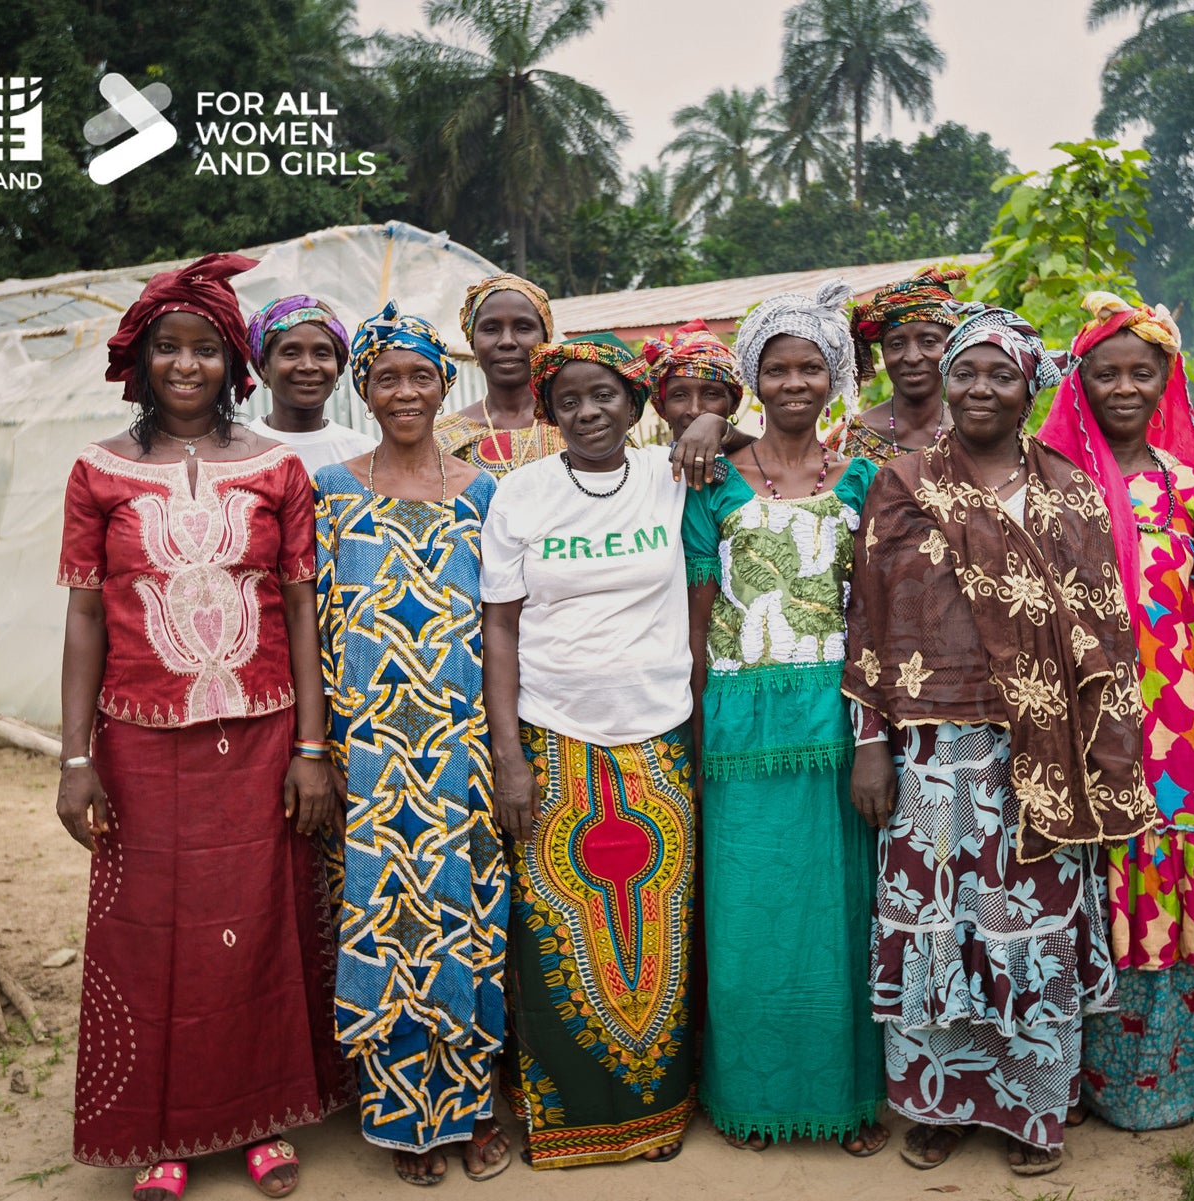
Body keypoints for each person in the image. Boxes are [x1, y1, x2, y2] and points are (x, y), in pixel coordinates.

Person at [56, 252, 348, 1201]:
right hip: (139, 739)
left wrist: (311, 748)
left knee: (258, 926)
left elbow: (299, 608)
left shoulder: (276, 467)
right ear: (138, 360)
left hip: (262, 735)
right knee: (152, 932)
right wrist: (74, 757)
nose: (187, 365)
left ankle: (262, 1118)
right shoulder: (97, 470)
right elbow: (86, 616)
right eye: (168, 348)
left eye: (207, 349)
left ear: (234, 363)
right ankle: (164, 1133)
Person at [844, 305, 1156, 1177]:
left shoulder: (1070, 488)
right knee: (938, 921)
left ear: (1031, 390)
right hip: (935, 750)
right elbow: (870, 617)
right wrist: (870, 742)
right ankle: (938, 1100)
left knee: (1028, 925)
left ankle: (1031, 1106)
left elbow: (1104, 625)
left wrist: (1109, 749)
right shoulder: (903, 482)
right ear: (946, 383)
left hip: (1045, 746)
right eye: (966, 372)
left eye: (1001, 374)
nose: (980, 388)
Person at [1040, 291, 1194, 1132]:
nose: (1125, 388)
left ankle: (1180, 1064)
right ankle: (1087, 1073)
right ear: (1081, 382)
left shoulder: (1188, 480)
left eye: (1142, 372)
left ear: (1165, 378)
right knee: (1102, 870)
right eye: (1107, 373)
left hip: (1183, 707)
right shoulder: (1052, 480)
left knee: (1177, 860)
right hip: (1089, 707)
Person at [480, 333, 700, 1168]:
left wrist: (711, 422)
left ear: (635, 402)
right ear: (550, 412)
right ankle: (565, 1121)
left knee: (662, 933)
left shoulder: (671, 475)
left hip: (658, 738)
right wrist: (509, 755)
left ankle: (654, 1117)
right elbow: (501, 626)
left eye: (604, 394)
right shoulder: (521, 493)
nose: (587, 412)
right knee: (554, 939)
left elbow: (767, 443)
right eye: (567, 400)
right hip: (552, 737)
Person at [684, 281, 886, 1157]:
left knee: (841, 913)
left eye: (811, 367)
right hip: (740, 728)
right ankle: (752, 1097)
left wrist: (873, 737)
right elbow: (696, 622)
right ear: (753, 380)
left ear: (835, 375)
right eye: (778, 369)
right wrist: (694, 736)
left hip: (835, 723)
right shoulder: (713, 482)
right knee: (746, 911)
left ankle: (848, 1097)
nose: (794, 382)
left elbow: (873, 617)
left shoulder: (863, 479)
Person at [316, 303, 509, 1186]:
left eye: (420, 376)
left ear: (443, 384)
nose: (404, 392)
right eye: (386, 376)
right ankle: (403, 1112)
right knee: (388, 923)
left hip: (463, 748)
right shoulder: (330, 489)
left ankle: (471, 1107)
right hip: (371, 754)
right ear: (363, 388)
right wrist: (315, 748)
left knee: (471, 921)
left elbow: (504, 627)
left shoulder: (481, 492)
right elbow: (310, 624)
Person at [827, 268, 968, 464]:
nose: (912, 357)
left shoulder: (975, 437)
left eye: (928, 342)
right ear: (884, 351)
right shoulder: (847, 442)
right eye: (896, 344)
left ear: (952, 347)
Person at [434, 274, 568, 475]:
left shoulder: (579, 427)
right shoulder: (439, 441)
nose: (507, 341)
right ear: (472, 343)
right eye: (491, 329)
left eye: (523, 328)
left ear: (545, 340)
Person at [245, 295, 377, 474]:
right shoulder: (237, 450)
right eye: (291, 353)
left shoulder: (365, 454)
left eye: (322, 354)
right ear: (263, 367)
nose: (308, 366)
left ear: (339, 368)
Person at [641, 318, 744, 441]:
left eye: (711, 394)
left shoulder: (755, 453)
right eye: (679, 395)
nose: (695, 411)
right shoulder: (646, 455)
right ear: (662, 406)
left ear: (734, 403)